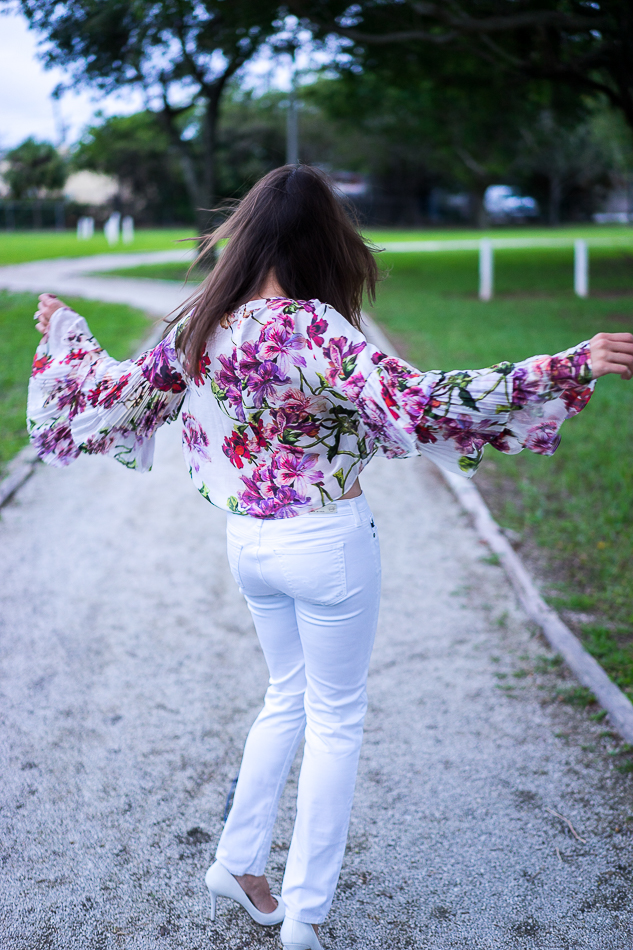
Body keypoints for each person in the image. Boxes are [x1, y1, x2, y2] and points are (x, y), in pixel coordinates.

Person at [29, 165, 633, 950]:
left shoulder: (200, 321)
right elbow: (423, 402)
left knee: (287, 696)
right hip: (326, 545)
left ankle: (239, 864)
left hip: (247, 546)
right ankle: (305, 913)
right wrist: (566, 364)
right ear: (324, 242)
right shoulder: (313, 329)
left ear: (243, 237)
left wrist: (66, 333)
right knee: (335, 719)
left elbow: (115, 396)